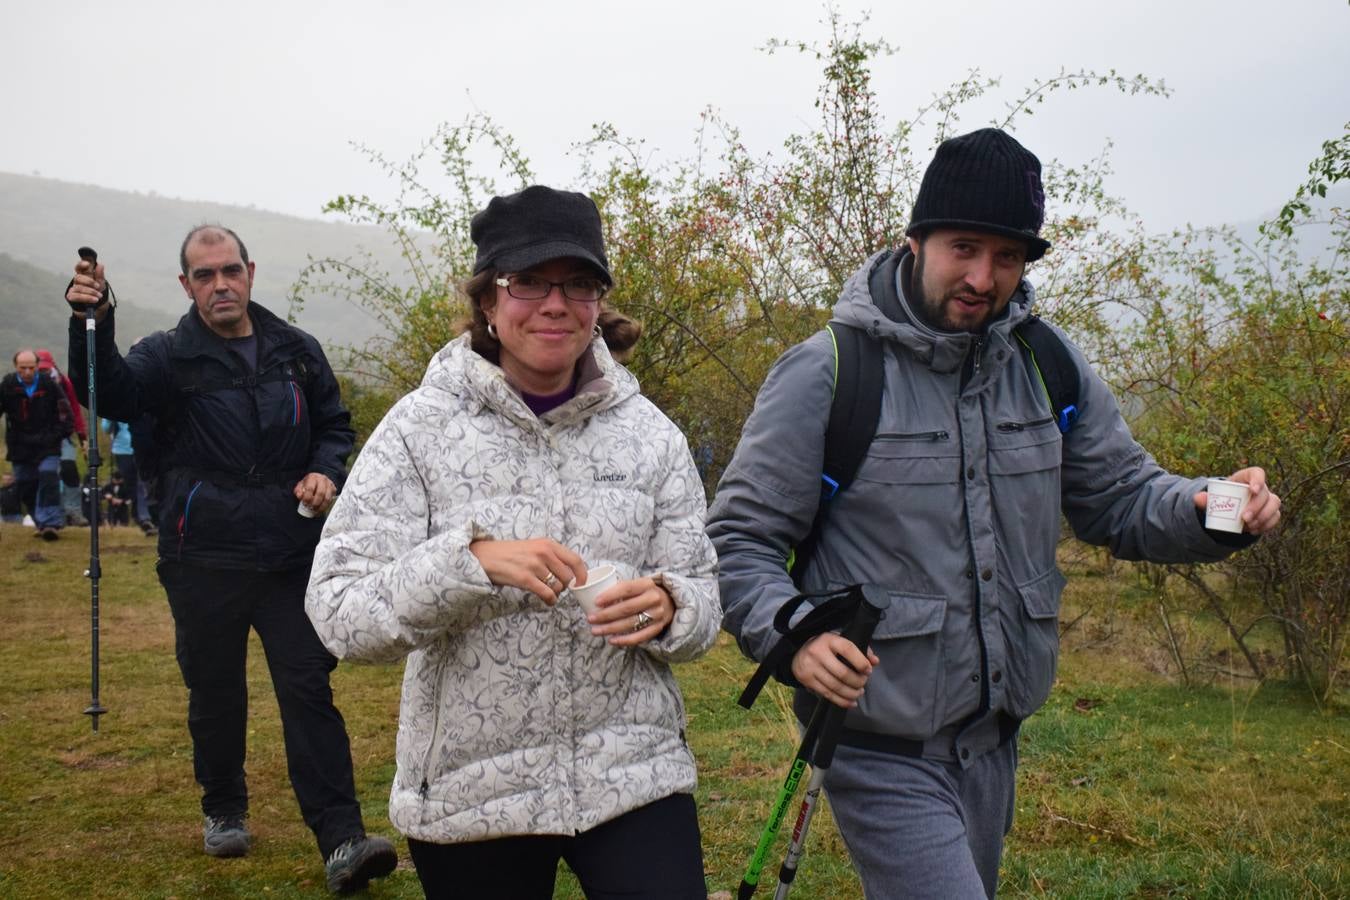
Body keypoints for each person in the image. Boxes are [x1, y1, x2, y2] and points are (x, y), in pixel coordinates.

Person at [706, 128, 1283, 900]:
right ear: (915, 241)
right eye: (964, 248)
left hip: (994, 747)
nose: (984, 277)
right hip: (880, 745)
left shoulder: (1048, 364)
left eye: (1007, 257)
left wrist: (1211, 510)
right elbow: (738, 542)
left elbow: (1123, 497)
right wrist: (796, 636)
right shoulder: (830, 371)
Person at [306, 185, 722, 899]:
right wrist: (470, 563)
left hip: (633, 771)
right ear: (489, 303)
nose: (555, 303)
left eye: (579, 284)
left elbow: (705, 598)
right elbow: (339, 611)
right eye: (528, 281)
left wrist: (670, 606)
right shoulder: (418, 431)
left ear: (598, 303)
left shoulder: (652, 435)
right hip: (475, 792)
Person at [64, 225, 397, 894]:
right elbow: (109, 393)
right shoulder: (166, 356)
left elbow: (334, 423)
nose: (220, 284)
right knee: (215, 689)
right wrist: (92, 322)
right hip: (202, 554)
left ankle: (342, 841)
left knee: (307, 687)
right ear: (186, 285)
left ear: (249, 272)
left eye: (229, 271)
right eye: (204, 275)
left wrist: (325, 470)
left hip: (287, 551)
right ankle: (223, 806)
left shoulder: (297, 351)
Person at [2, 348, 73, 539]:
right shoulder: (8, 385)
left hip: (47, 443)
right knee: (26, 484)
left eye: (31, 368)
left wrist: (59, 434)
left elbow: (65, 412)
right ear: (16, 367)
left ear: (36, 366)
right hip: (20, 445)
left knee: (48, 475)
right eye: (22, 368)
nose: (27, 372)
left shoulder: (48, 384)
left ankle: (51, 522)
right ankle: (40, 522)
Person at [35, 349, 89, 526]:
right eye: (40, 369)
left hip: (63, 435)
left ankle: (73, 511)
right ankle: (51, 513)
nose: (43, 373)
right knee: (47, 476)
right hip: (38, 438)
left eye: (46, 369)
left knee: (69, 470)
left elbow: (75, 411)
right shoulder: (29, 386)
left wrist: (83, 439)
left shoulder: (65, 383)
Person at [101, 417, 156, 534]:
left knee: (143, 483)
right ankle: (139, 516)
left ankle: (145, 518)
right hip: (122, 450)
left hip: (142, 447)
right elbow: (106, 428)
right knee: (131, 485)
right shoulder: (116, 405)